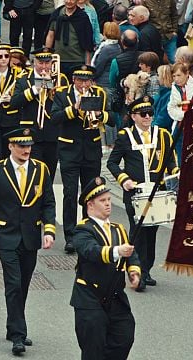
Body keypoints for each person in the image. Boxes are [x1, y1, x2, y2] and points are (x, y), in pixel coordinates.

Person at [0, 128, 56, 356]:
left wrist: (48, 230)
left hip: (30, 237)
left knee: (24, 284)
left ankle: (13, 327)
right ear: (10, 146)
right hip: (7, 236)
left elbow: (48, 202)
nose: (26, 150)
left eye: (29, 146)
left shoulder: (41, 170)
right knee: (13, 284)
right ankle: (19, 335)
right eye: (21, 146)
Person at [107, 97, 178, 292]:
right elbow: (112, 163)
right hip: (135, 192)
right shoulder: (125, 136)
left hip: (156, 192)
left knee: (152, 232)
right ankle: (136, 270)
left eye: (150, 113)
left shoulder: (163, 135)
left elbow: (171, 162)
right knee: (137, 232)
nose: (148, 117)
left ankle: (146, 269)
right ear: (133, 116)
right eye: (143, 114)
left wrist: (174, 177)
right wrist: (124, 180)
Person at [70, 176, 141, 360]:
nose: (108, 204)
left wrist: (133, 271)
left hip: (115, 296)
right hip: (90, 298)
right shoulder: (83, 230)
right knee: (93, 348)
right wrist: (117, 251)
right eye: (103, 201)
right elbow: (91, 251)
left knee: (124, 338)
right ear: (90, 206)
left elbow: (131, 253)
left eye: (109, 200)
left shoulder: (119, 229)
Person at [51, 64, 109, 253]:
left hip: (91, 150)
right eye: (80, 80)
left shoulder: (99, 93)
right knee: (69, 193)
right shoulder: (61, 94)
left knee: (90, 194)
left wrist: (101, 115)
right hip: (69, 149)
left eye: (87, 80)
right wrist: (74, 109)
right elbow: (54, 118)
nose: (84, 84)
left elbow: (114, 118)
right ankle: (70, 235)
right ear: (74, 80)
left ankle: (88, 232)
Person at [10, 48, 70, 179]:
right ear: (34, 63)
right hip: (31, 132)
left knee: (49, 175)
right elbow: (14, 103)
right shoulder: (23, 79)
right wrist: (34, 90)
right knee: (32, 175)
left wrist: (52, 88)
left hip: (52, 132)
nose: (44, 66)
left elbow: (65, 102)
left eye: (47, 63)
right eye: (41, 63)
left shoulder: (60, 78)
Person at [45, 0, 94, 70]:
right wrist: (47, 56)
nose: (69, 1)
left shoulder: (82, 17)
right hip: (58, 59)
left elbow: (88, 41)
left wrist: (88, 64)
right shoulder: (56, 14)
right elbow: (50, 35)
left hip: (77, 60)